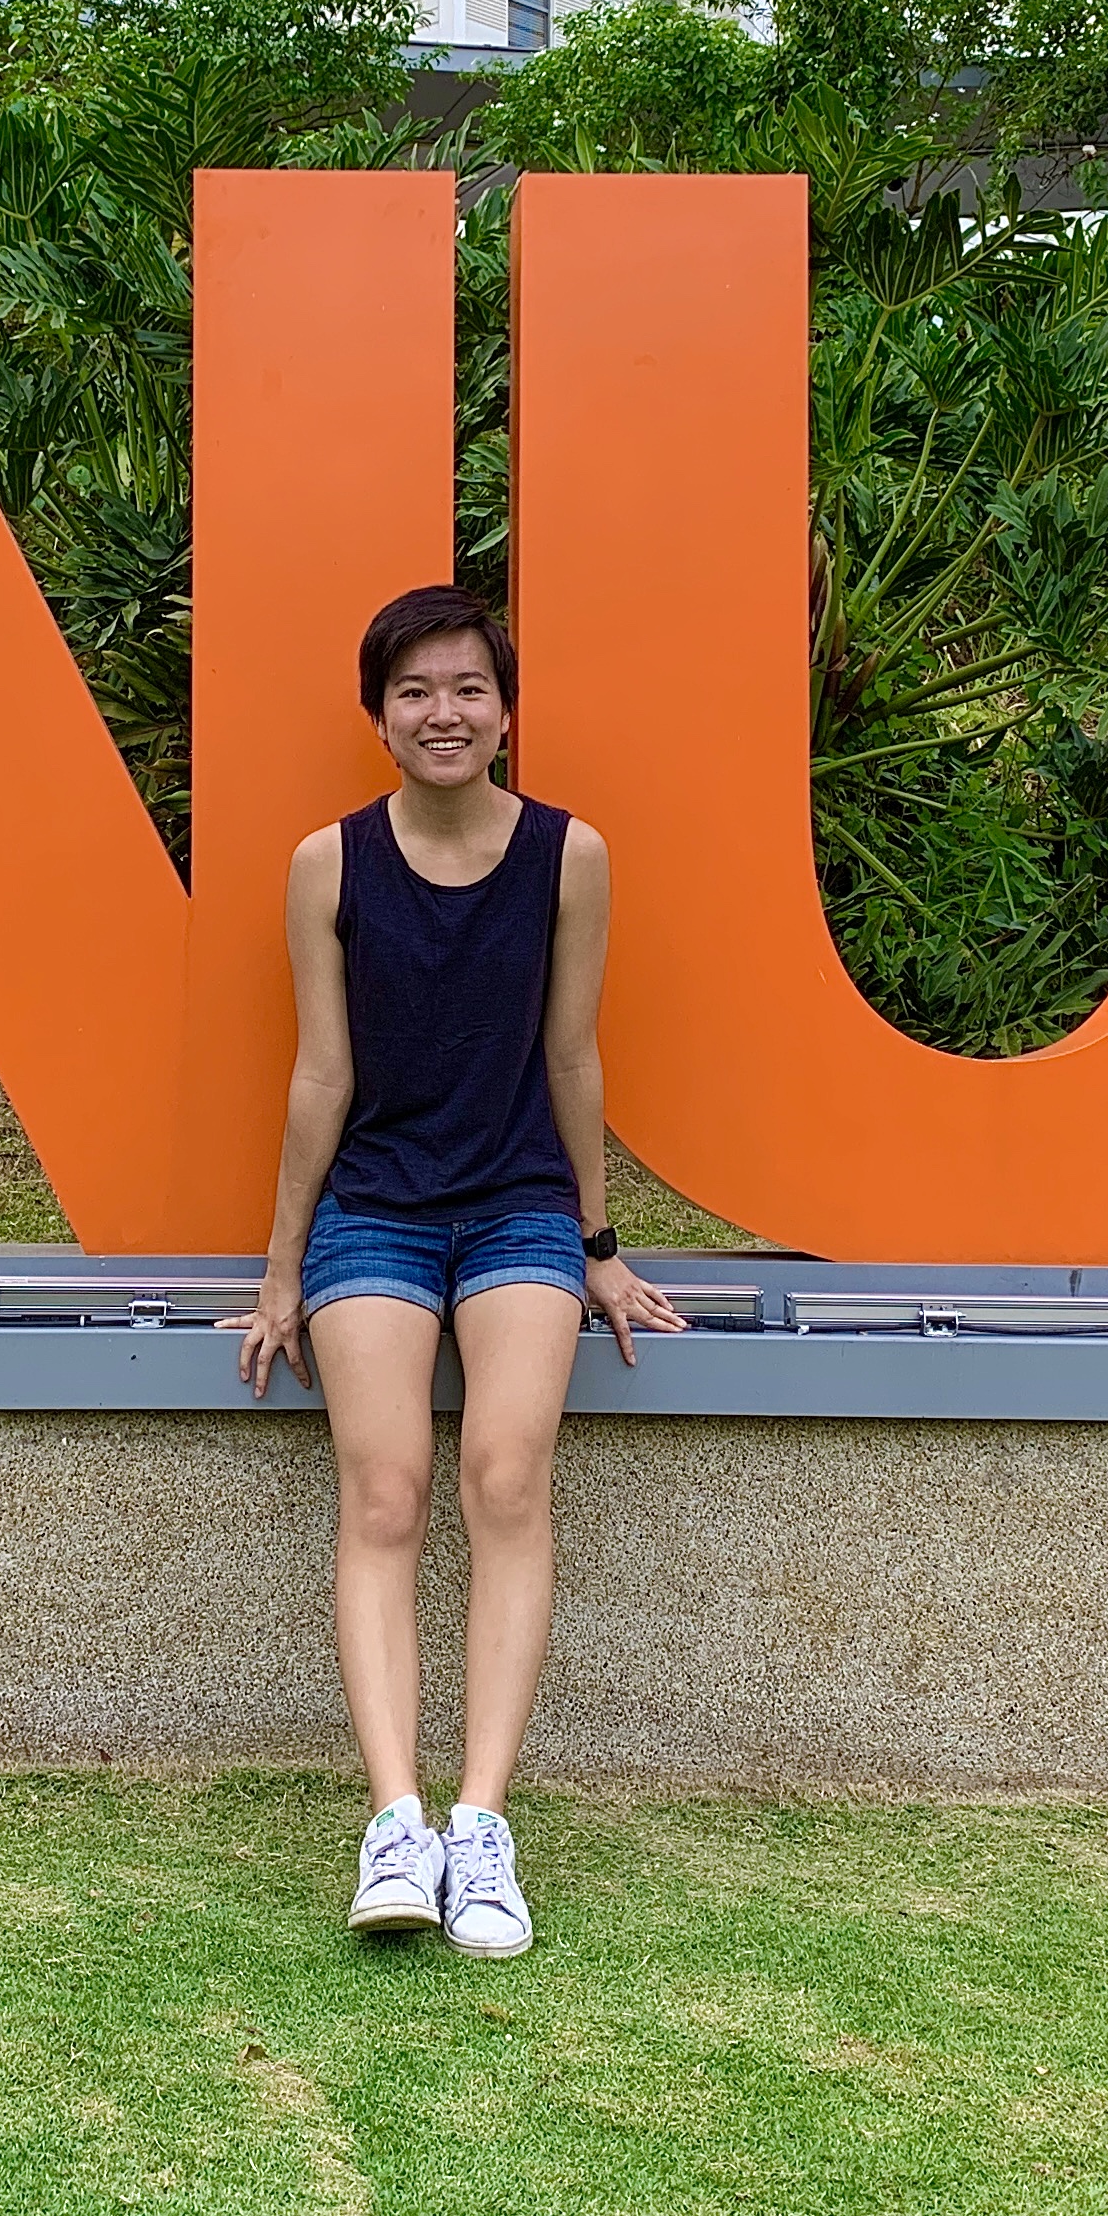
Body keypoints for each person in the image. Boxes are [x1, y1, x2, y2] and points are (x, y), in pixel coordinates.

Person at [237, 582, 685, 1959]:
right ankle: (397, 1822)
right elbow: (322, 1073)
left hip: (516, 1211)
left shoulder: (568, 856)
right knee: (385, 1487)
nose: (444, 713)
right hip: (372, 1208)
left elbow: (571, 1057)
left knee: (504, 1472)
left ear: (504, 709)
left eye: (468, 689)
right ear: (379, 715)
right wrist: (279, 1267)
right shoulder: (329, 863)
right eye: (416, 691)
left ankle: (483, 1827)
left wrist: (599, 1245)